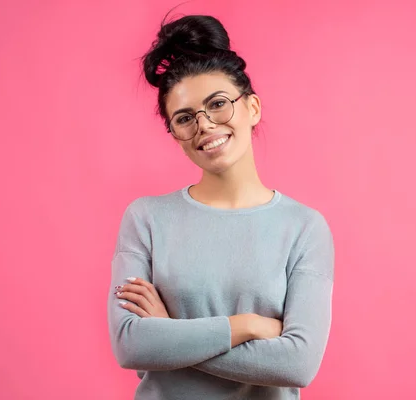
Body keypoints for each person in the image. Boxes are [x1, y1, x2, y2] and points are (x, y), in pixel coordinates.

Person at [107, 13, 335, 400]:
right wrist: (245, 325)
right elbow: (131, 344)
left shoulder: (304, 227)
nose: (205, 125)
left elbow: (297, 364)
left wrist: (170, 331)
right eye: (184, 118)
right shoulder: (145, 218)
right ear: (175, 134)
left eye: (217, 104)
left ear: (253, 108)